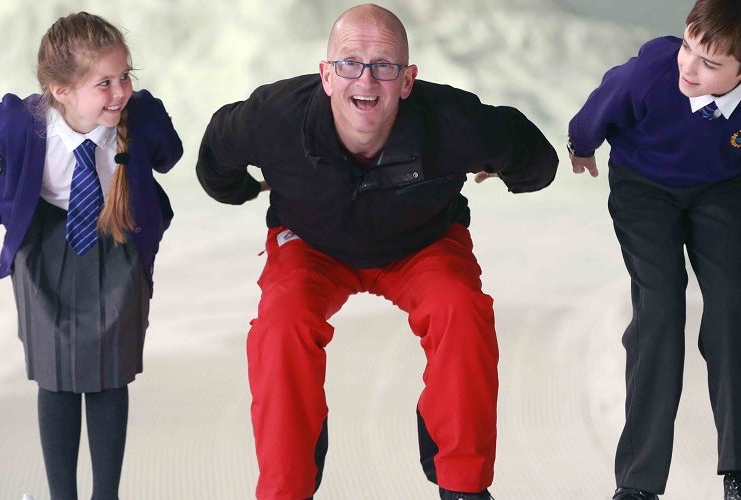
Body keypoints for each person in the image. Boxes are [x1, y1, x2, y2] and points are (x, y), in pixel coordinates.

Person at [197, 4, 557, 499]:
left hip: (420, 244)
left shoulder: (454, 122)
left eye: (385, 65)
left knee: (461, 309)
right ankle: (287, 487)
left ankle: (463, 485)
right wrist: (241, 190)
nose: (366, 79)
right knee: (281, 325)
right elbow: (216, 155)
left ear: (407, 81)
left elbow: (536, 158)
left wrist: (513, 171)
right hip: (313, 245)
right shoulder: (273, 117)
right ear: (326, 75)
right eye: (349, 63)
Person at [0, 12, 182, 500]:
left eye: (125, 76)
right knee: (56, 372)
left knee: (110, 375)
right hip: (45, 242)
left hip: (117, 235)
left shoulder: (140, 113)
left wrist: (150, 133)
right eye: (104, 83)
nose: (120, 91)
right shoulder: (21, 122)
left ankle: (106, 495)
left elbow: (168, 155)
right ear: (61, 90)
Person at [566, 1, 741, 499]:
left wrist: (739, 188)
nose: (689, 67)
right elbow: (603, 103)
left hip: (721, 189)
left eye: (710, 63)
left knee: (732, 304)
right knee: (662, 309)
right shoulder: (654, 70)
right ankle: (639, 482)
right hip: (643, 186)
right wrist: (581, 144)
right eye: (689, 47)